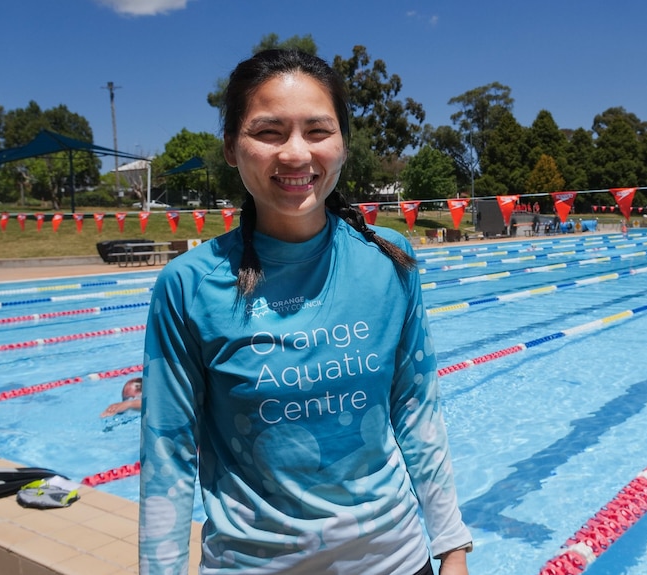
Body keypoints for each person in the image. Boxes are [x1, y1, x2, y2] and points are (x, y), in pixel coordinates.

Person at [139, 50, 472, 575]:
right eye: (269, 132)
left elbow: (416, 410)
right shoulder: (189, 286)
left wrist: (451, 548)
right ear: (231, 146)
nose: (296, 154)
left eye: (318, 130)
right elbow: (169, 458)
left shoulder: (390, 259)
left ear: (342, 143)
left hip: (398, 562)